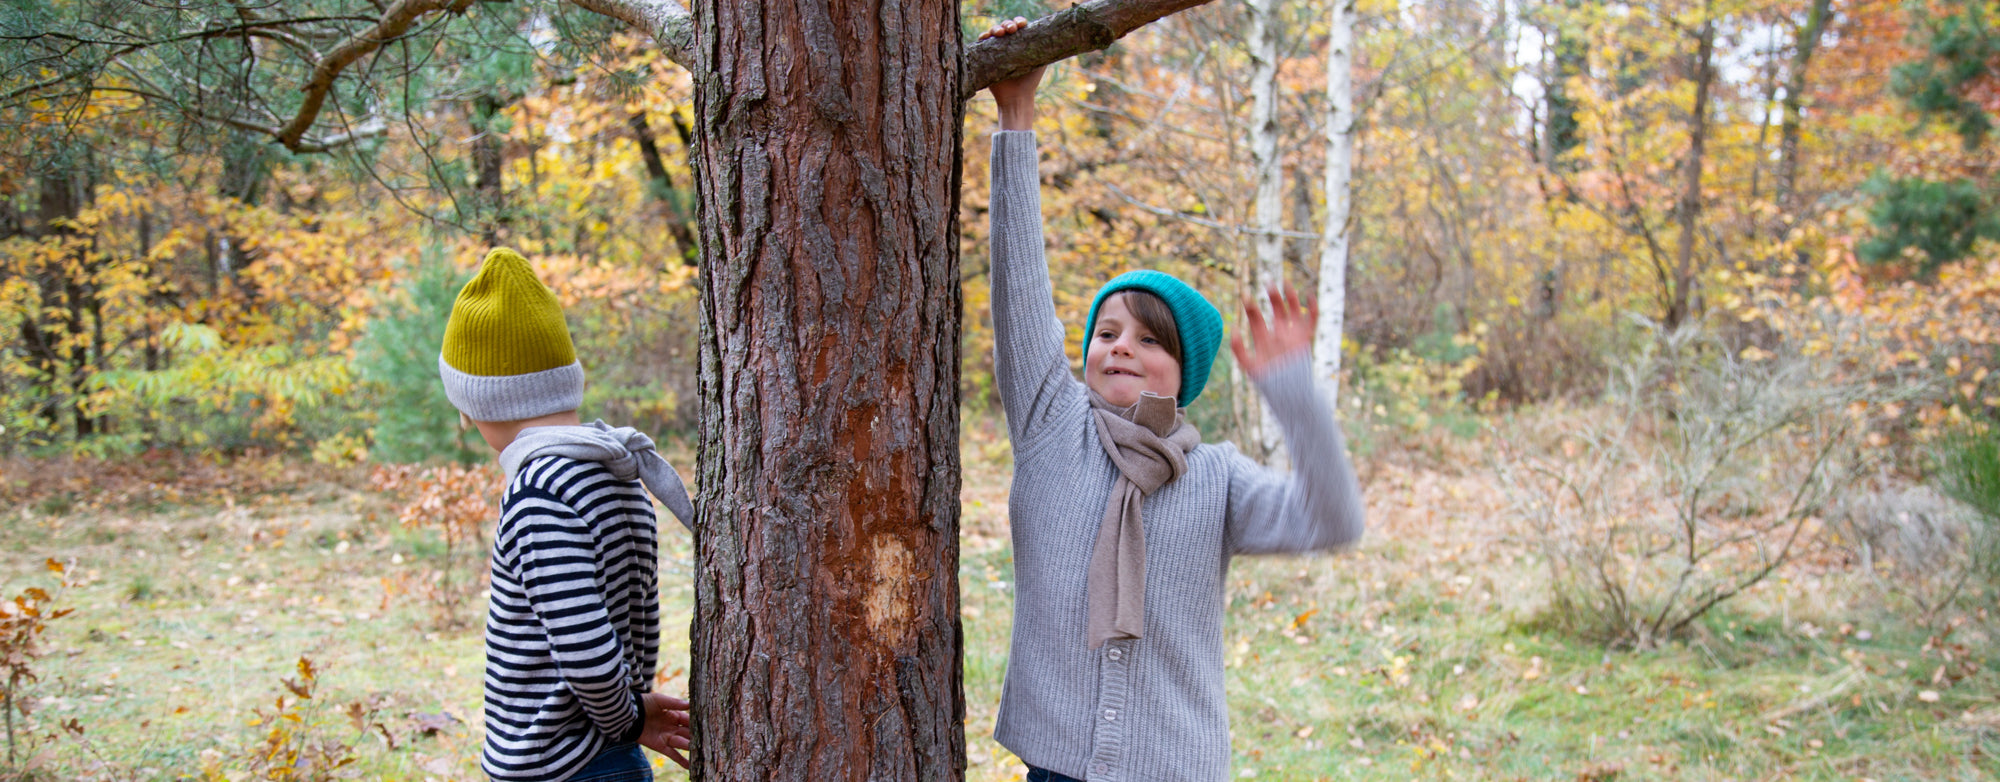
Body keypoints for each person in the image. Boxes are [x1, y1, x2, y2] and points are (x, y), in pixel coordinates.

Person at [979, 18, 1367, 782]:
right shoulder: (1051, 425)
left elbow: (1333, 518)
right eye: (1109, 331)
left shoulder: (1217, 479)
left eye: (1150, 340)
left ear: (1183, 375)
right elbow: (1020, 288)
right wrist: (1014, 117)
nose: (1121, 345)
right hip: (1052, 768)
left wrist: (1295, 393)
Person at [438, 247, 697, 781]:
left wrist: (624, 719)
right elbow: (637, 616)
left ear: (476, 404)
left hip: (558, 765)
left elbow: (582, 647)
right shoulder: (618, 472)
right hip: (604, 750)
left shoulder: (540, 490)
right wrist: (626, 714)